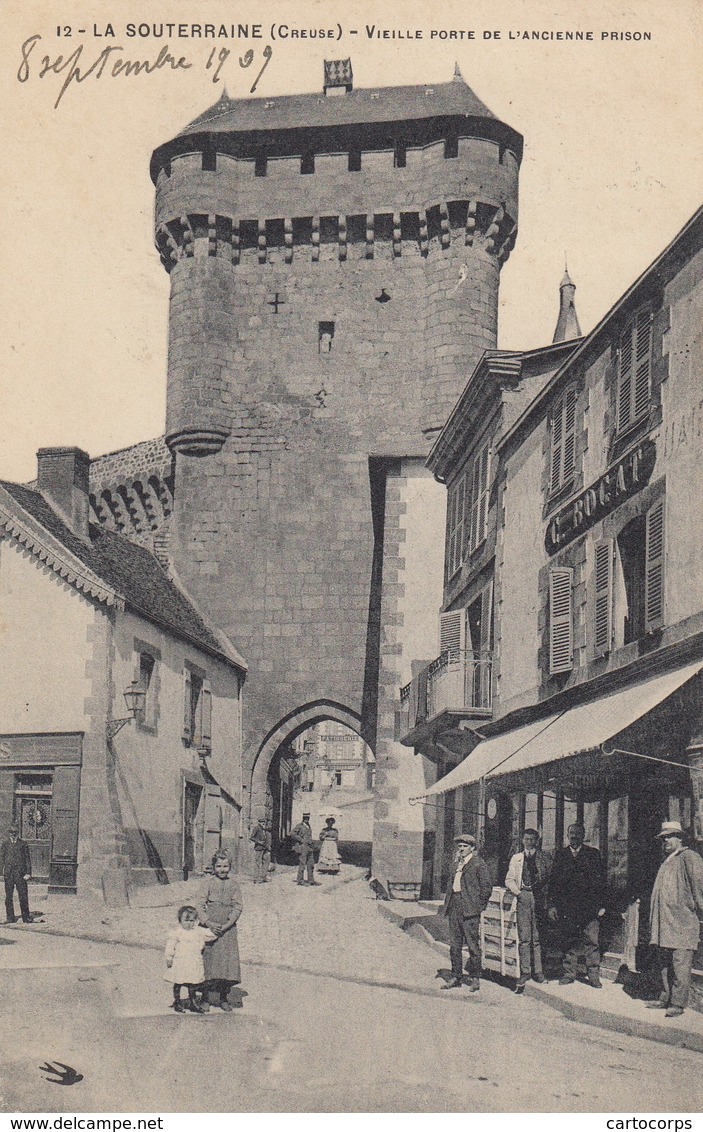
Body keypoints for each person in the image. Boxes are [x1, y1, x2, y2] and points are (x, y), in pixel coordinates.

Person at [647, 820, 703, 1018]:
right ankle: (664, 997)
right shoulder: (668, 860)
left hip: (681, 922)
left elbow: (699, 887)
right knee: (664, 963)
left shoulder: (689, 857)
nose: (666, 841)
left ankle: (678, 1003)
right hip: (665, 923)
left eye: (670, 837)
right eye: (663, 838)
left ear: (680, 838)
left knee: (680, 963)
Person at [548, 823, 606, 988]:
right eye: (571, 833)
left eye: (578, 833)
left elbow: (602, 882)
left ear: (583, 835)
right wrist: (552, 905)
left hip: (589, 908)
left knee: (592, 942)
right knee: (568, 941)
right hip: (567, 909)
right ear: (567, 836)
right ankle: (569, 974)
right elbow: (553, 883)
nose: (574, 836)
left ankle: (593, 976)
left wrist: (602, 905)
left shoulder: (593, 854)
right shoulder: (561, 855)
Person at [441, 832, 493, 992]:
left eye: (465, 846)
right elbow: (451, 884)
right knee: (454, 945)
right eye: (460, 846)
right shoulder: (456, 864)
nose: (462, 849)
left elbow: (487, 887)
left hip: (470, 909)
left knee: (472, 945)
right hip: (454, 906)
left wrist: (479, 906)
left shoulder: (478, 863)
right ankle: (456, 976)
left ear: (472, 848)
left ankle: (475, 978)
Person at [197, 850, 244, 1011]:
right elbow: (199, 904)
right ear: (213, 867)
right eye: (219, 866)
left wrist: (227, 925)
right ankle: (205, 998)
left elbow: (238, 907)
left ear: (230, 866)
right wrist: (208, 922)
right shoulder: (208, 883)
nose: (222, 869)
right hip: (210, 928)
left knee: (226, 965)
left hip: (227, 930)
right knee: (208, 963)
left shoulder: (234, 885)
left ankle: (224, 997)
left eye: (225, 866)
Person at [505, 828, 550, 988]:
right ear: (522, 841)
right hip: (523, 896)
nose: (529, 842)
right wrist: (518, 893)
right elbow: (509, 880)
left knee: (537, 938)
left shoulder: (544, 857)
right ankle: (525, 972)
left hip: (539, 899)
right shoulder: (516, 858)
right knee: (524, 938)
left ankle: (538, 972)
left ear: (537, 841)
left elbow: (549, 879)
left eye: (532, 839)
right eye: (526, 839)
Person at [164, 904, 216, 1013]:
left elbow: (211, 935)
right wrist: (169, 957)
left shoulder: (198, 931)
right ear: (180, 920)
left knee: (192, 984)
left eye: (192, 921)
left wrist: (216, 929)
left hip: (193, 962)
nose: (189, 923)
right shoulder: (177, 933)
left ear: (195, 921)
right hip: (180, 961)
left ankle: (193, 1003)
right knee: (178, 982)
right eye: (186, 921)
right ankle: (177, 1002)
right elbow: (170, 945)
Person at [0, 821, 32, 924]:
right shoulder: (5, 844)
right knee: (8, 896)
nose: (13, 834)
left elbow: (27, 859)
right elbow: (1, 859)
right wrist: (0, 873)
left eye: (15, 832)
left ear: (17, 833)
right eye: (11, 832)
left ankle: (26, 917)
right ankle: (10, 917)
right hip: (8, 874)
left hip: (20, 874)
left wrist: (28, 873)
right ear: (9, 833)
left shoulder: (23, 844)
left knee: (23, 895)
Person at [291, 812, 318, 886]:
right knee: (302, 863)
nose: (307, 819)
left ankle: (311, 880)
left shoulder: (308, 826)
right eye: (305, 818)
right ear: (303, 818)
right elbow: (292, 833)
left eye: (308, 818)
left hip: (309, 847)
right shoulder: (299, 826)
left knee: (311, 863)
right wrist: (300, 839)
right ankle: (300, 880)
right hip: (303, 846)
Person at [250, 817, 268, 884]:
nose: (263, 823)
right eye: (262, 822)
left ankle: (263, 877)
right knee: (257, 863)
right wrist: (259, 842)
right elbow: (251, 837)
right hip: (258, 847)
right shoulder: (256, 828)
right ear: (259, 822)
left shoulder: (263, 829)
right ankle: (256, 879)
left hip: (264, 848)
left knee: (264, 862)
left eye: (264, 822)